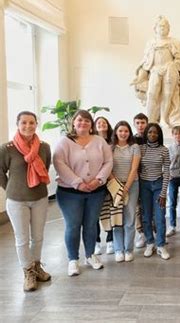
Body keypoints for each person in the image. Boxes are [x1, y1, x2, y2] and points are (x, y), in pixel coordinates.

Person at [53, 110, 113, 276]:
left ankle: (90, 255)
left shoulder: (100, 141)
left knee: (91, 224)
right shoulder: (64, 142)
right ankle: (73, 259)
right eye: (80, 120)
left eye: (87, 121)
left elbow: (108, 162)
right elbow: (59, 163)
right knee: (73, 225)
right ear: (74, 122)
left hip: (96, 191)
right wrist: (77, 183)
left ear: (91, 124)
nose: (83, 123)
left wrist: (98, 180)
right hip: (69, 193)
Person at [0, 111, 51, 291]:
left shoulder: (44, 147)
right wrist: (12, 188)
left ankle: (36, 266)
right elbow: (0, 172)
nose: (28, 126)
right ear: (18, 124)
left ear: (36, 124)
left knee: (38, 237)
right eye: (24, 123)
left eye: (31, 122)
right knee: (22, 239)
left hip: (40, 198)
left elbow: (46, 166)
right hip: (16, 201)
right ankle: (28, 272)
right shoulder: (7, 148)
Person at [131, 15, 180, 128]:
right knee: (152, 94)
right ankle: (151, 121)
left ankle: (164, 119)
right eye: (160, 26)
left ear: (168, 28)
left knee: (168, 95)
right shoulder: (151, 43)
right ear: (155, 28)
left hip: (169, 69)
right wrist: (139, 77)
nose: (163, 28)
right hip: (155, 70)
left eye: (165, 26)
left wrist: (177, 64)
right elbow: (146, 63)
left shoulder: (174, 42)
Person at [139, 123, 171, 260]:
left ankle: (160, 245)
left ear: (159, 135)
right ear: (146, 133)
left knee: (160, 216)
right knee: (146, 216)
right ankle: (150, 242)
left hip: (158, 185)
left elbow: (167, 172)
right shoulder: (141, 149)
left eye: (155, 133)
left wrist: (163, 193)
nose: (152, 135)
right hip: (144, 186)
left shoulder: (164, 150)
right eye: (150, 132)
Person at [110, 121, 140, 262]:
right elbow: (108, 168)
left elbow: (134, 169)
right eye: (120, 131)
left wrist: (125, 188)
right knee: (117, 218)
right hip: (114, 186)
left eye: (126, 131)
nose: (123, 133)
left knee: (129, 218)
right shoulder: (110, 148)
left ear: (129, 133)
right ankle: (118, 250)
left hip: (132, 185)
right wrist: (118, 187)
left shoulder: (134, 147)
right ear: (116, 132)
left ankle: (128, 249)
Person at [94, 116, 114, 255]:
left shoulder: (113, 141)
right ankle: (96, 242)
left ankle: (110, 240)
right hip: (95, 181)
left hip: (111, 180)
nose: (101, 124)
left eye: (104, 122)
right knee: (94, 213)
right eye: (99, 123)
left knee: (110, 211)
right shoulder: (91, 141)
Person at [132, 113, 148, 249]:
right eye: (137, 123)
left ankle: (153, 231)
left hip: (151, 178)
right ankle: (141, 232)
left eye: (142, 122)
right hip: (136, 177)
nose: (140, 125)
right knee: (138, 208)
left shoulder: (152, 138)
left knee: (152, 206)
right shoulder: (132, 140)